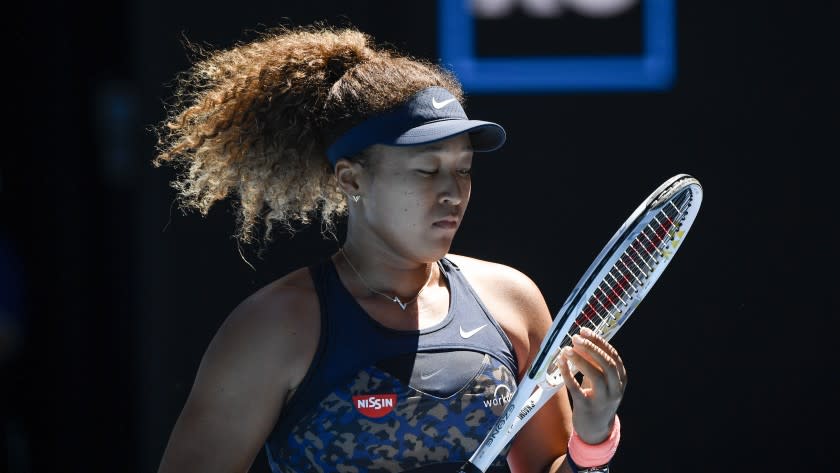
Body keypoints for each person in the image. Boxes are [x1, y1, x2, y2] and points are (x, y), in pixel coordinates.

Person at [152, 24, 627, 473]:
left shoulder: (512, 302)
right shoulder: (273, 327)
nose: (452, 191)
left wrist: (591, 440)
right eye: (426, 169)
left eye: (462, 169)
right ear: (352, 178)